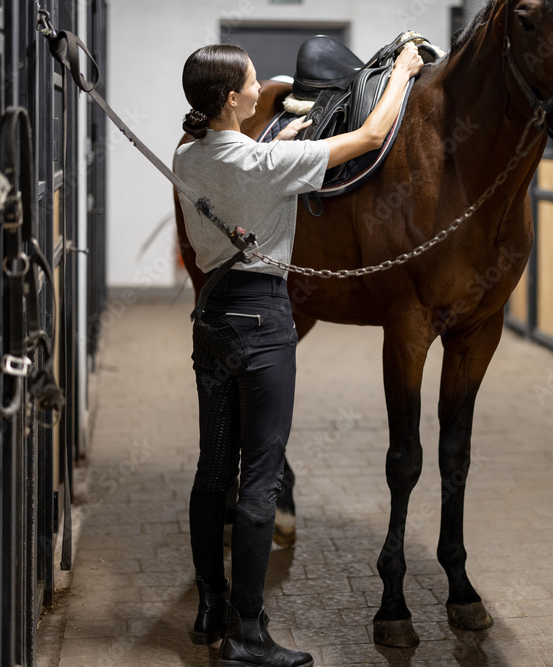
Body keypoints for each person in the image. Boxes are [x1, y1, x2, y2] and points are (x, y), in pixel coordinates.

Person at [174, 41, 423, 667]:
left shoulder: (186, 155)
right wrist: (404, 74)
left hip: (212, 321)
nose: (262, 89)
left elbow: (241, 141)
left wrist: (277, 105)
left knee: (213, 470)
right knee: (260, 480)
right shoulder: (270, 163)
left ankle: (210, 606)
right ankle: (248, 635)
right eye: (253, 83)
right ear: (231, 99)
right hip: (262, 322)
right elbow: (369, 136)